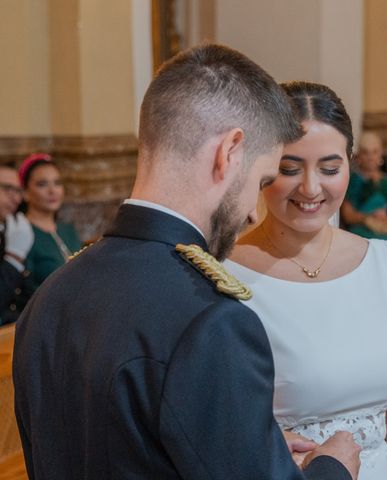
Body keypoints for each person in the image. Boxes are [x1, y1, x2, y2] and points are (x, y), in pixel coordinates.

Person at [13, 44, 360, 480]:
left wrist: (250, 445)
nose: (254, 212)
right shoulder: (209, 319)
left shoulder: (56, 290)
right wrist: (333, 468)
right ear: (229, 152)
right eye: (262, 180)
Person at [226, 81, 387, 480]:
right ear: (262, 166)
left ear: (349, 164)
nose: (310, 188)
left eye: (329, 168)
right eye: (289, 169)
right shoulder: (225, 274)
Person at [18, 153, 82, 291]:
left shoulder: (68, 230)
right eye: (42, 184)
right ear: (25, 192)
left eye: (57, 183)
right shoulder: (21, 234)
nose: (52, 191)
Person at [340, 131, 387, 242]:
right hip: (364, 229)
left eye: (375, 152)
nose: (370, 157)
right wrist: (370, 216)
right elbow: (348, 216)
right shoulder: (352, 181)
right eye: (365, 152)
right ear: (358, 156)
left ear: (380, 154)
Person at [0, 164, 34, 325]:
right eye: (8, 189)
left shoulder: (12, 228)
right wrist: (14, 258)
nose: (16, 199)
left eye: (18, 191)